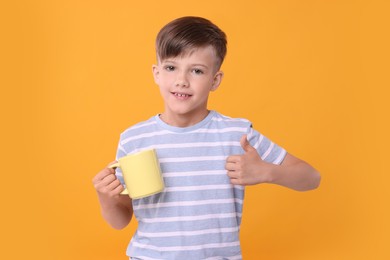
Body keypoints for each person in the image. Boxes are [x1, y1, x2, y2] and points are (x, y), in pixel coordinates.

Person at [92, 16, 321, 259]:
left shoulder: (236, 135)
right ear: (156, 73)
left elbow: (311, 178)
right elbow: (120, 221)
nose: (182, 80)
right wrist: (106, 198)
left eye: (197, 71)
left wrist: (266, 171)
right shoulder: (134, 139)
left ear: (215, 80)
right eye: (171, 67)